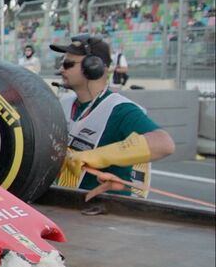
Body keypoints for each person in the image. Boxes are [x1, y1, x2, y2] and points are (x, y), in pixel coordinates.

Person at [51, 34, 174, 197]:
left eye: (68, 64)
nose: (61, 70)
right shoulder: (64, 103)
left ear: (93, 67)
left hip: (103, 213)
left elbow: (164, 144)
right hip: (68, 205)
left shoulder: (120, 110)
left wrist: (97, 156)